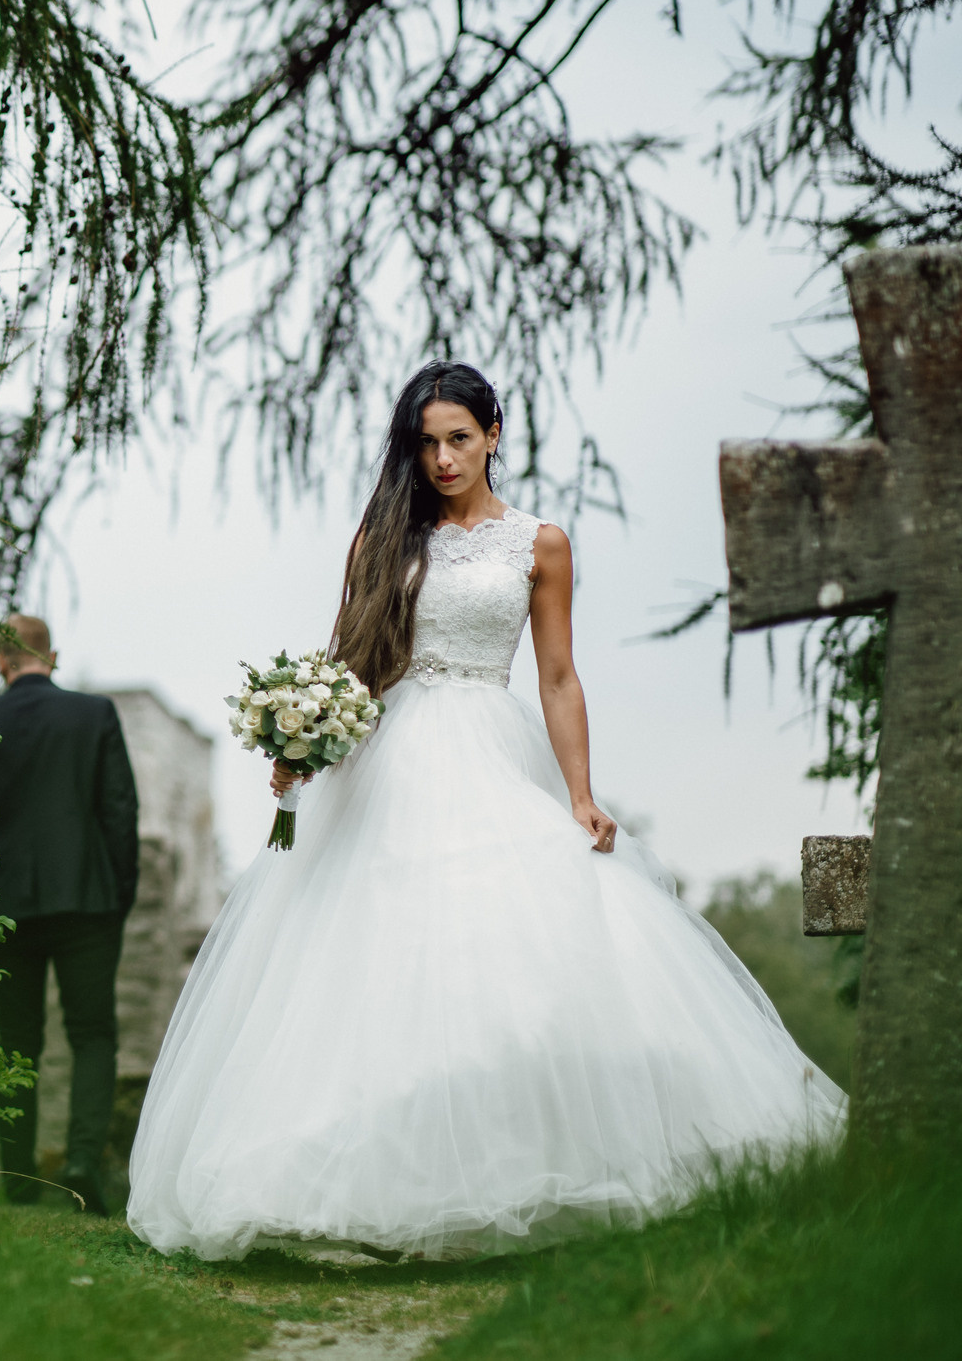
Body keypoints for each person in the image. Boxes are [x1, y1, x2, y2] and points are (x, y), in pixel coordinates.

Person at [126, 362, 844, 1261]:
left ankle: (510, 1167)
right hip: (383, 759)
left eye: (458, 437)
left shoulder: (539, 544)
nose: (441, 458)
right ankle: (341, 1184)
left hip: (491, 745)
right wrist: (300, 743)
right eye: (426, 442)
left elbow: (556, 674)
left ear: (493, 434)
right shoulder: (382, 541)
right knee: (362, 962)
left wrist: (580, 793)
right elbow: (348, 664)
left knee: (517, 951)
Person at [0, 614, 140, 1215]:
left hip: (8, 907)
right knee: (93, 1034)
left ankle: (17, 1177)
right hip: (88, 900)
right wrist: (118, 896)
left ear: (1, 661)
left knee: (17, 1043)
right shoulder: (94, 715)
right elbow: (120, 814)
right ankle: (83, 1165)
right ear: (50, 657)